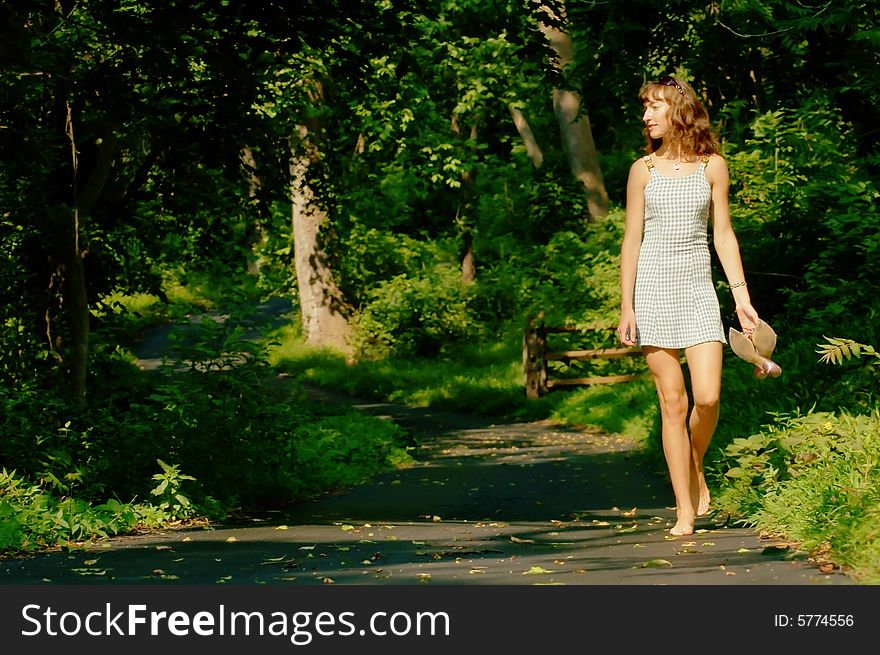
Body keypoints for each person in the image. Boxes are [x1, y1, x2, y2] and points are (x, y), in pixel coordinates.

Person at [617, 74, 759, 536]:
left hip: (698, 290)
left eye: (654, 106)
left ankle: (693, 458)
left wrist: (741, 299)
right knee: (672, 403)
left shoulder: (712, 166)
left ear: (678, 108)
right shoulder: (643, 170)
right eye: (644, 108)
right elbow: (631, 240)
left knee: (708, 397)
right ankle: (683, 507)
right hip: (653, 292)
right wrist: (627, 306)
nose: (646, 116)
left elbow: (723, 234)